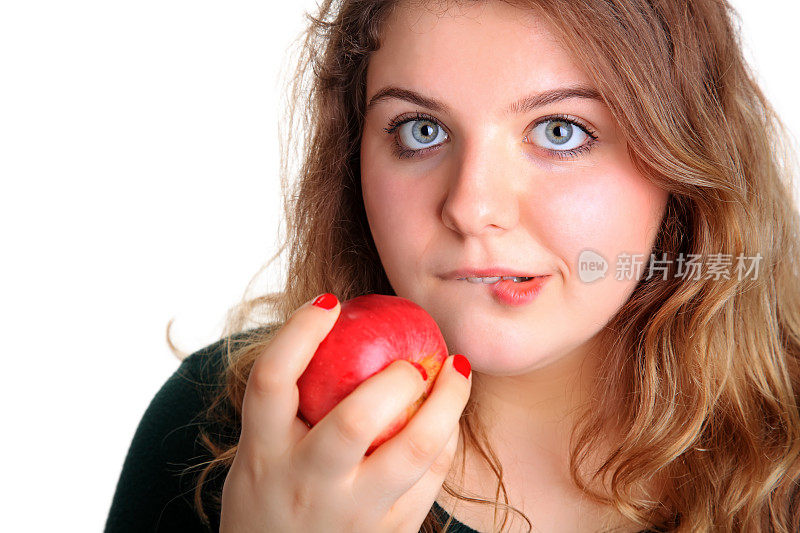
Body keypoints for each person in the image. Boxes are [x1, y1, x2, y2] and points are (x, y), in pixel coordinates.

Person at [106, 0, 800, 531]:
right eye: (420, 130)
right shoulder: (229, 427)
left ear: (684, 163)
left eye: (561, 132)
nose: (471, 206)